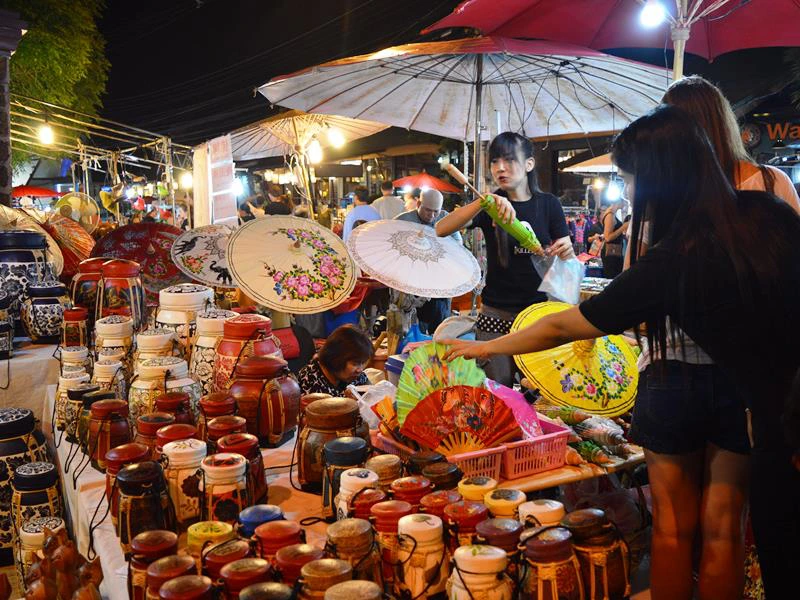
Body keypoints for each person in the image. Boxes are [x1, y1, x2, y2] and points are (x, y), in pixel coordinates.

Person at [442, 105, 800, 600]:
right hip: (755, 401)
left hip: (675, 390)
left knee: (673, 532)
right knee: (725, 533)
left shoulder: (673, 258)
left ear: (659, 179)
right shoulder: (769, 214)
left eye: (630, 179)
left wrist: (482, 345)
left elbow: (565, 326)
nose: (629, 192)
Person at [660, 75, 800, 598]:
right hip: (755, 382)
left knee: (671, 530)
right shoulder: (770, 185)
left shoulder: (666, 197)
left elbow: (639, 287)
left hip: (671, 368)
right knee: (726, 529)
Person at [436, 131, 573, 386]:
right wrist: (484, 201)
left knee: (538, 392)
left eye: (509, 160)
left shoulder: (548, 204)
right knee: (497, 391)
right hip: (496, 313)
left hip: (538, 315)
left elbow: (565, 256)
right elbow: (441, 229)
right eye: (495, 161)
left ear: (529, 164)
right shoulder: (491, 206)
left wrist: (567, 249)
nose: (500, 167)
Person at [395, 188, 461, 332]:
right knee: (413, 325)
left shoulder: (446, 219)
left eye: (435, 212)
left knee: (439, 322)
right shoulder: (403, 221)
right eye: (427, 210)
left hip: (438, 280)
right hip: (412, 281)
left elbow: (457, 247)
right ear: (418, 204)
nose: (431, 215)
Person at [297, 324, 374, 395]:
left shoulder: (354, 376)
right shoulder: (311, 379)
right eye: (355, 364)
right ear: (336, 357)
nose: (360, 370)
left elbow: (372, 393)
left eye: (362, 363)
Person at [599, 196, 628, 278]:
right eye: (625, 201)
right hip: (611, 254)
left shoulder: (612, 213)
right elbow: (607, 237)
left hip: (614, 252)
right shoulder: (610, 215)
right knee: (613, 277)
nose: (626, 203)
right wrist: (623, 227)